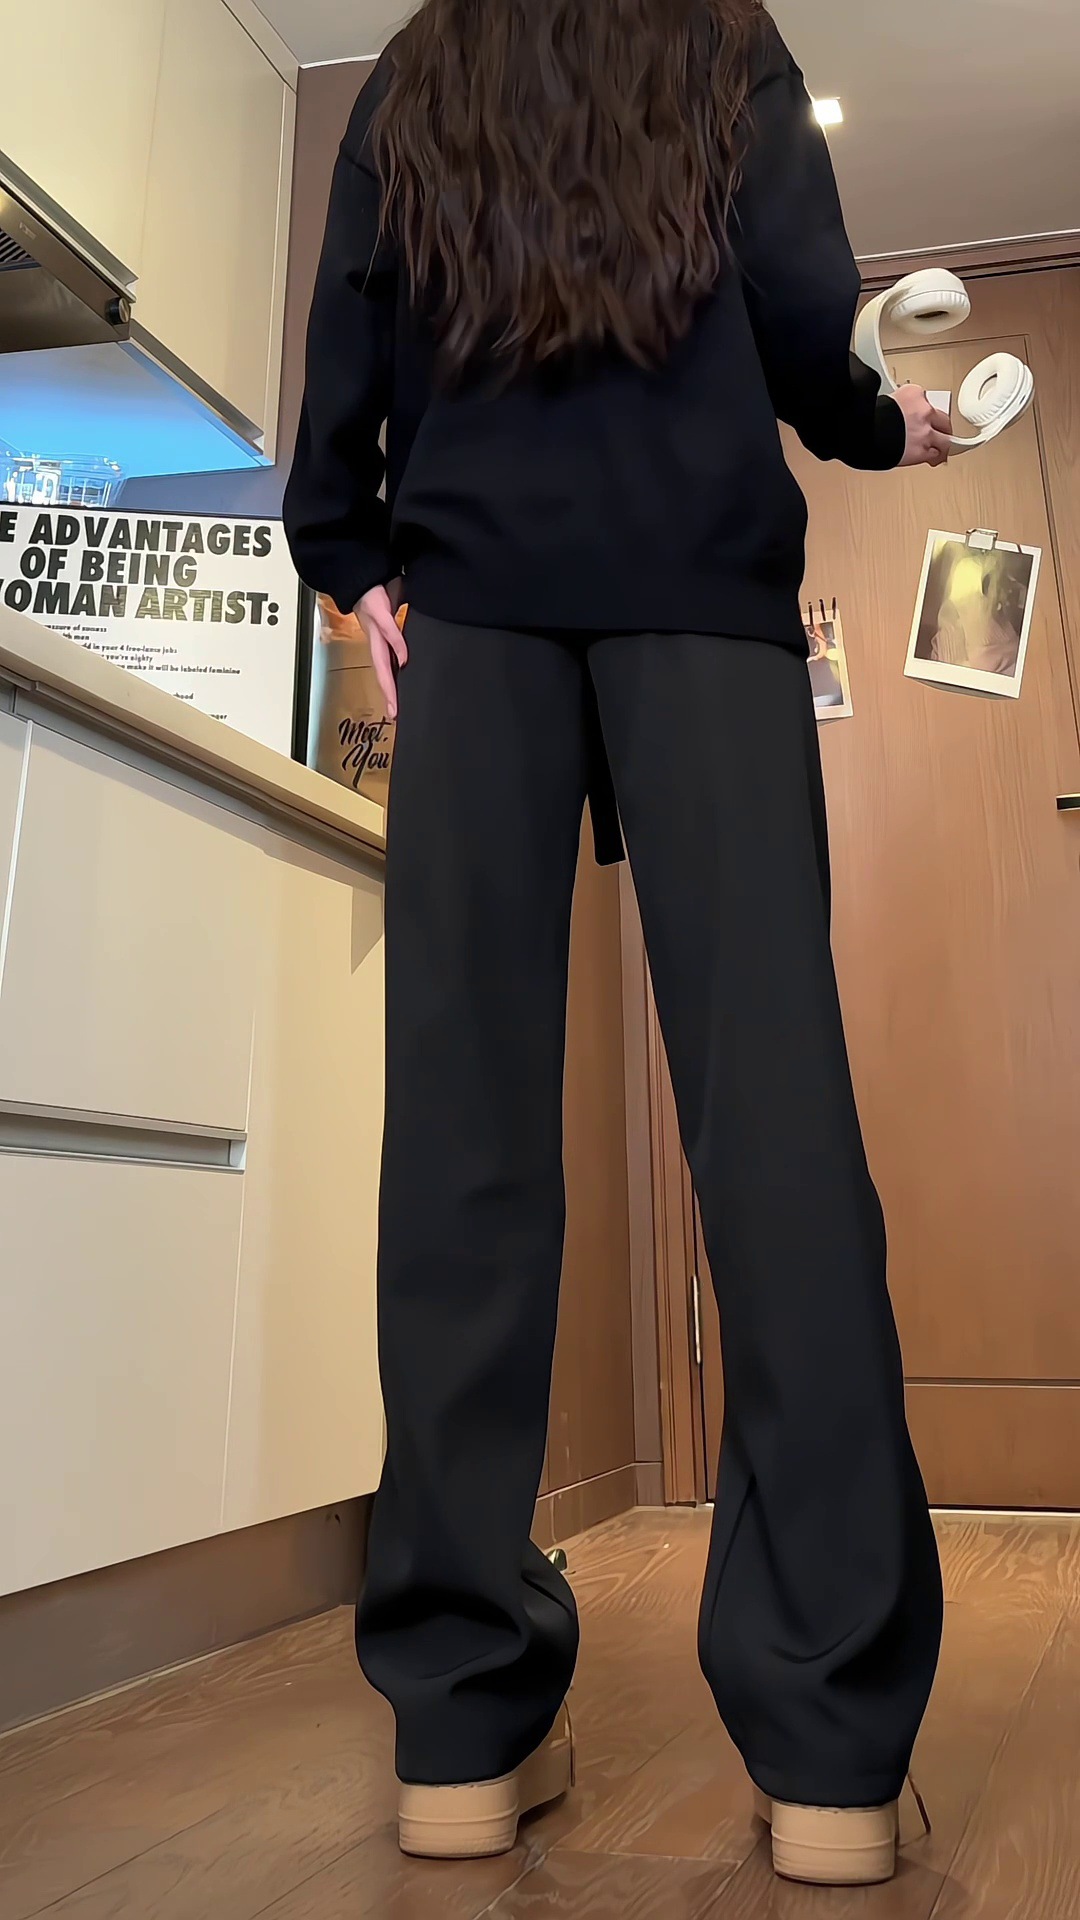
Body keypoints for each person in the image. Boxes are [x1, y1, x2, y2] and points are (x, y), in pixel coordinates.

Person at [285, 0, 949, 1888]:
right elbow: (802, 324)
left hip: (475, 627)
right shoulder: (723, 41)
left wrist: (349, 555)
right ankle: (830, 1754)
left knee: (463, 1151)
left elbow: (344, 362)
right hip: (703, 612)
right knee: (777, 1132)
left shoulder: (420, 64)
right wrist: (878, 424)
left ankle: (460, 1733)